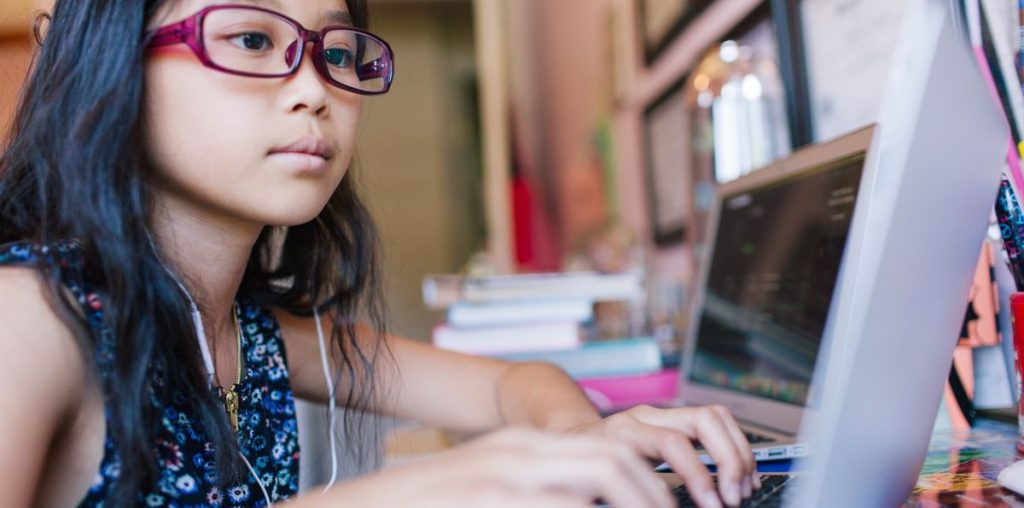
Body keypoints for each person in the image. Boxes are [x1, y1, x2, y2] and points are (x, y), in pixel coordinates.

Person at [0, 1, 758, 507]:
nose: (313, 90)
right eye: (252, 39)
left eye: (334, 51)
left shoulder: (256, 332)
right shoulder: (33, 318)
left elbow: (514, 385)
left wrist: (584, 441)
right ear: (104, 59)